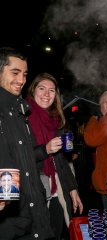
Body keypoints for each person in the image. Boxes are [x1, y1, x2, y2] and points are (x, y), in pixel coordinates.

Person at [0, 47, 55, 239]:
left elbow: (26, 157)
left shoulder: (20, 111)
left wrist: (45, 150)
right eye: (15, 73)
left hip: (33, 212)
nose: (21, 80)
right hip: (9, 221)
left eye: (24, 74)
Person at [26, 72, 83, 239]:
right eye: (42, 88)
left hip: (56, 189)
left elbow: (61, 161)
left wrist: (72, 188)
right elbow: (19, 158)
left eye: (51, 90)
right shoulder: (22, 117)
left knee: (56, 233)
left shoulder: (55, 119)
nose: (46, 94)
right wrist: (46, 149)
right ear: (33, 90)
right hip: (34, 191)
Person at [84, 91, 107, 209]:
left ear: (104, 104)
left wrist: (93, 119)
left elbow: (91, 139)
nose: (100, 110)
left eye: (100, 107)